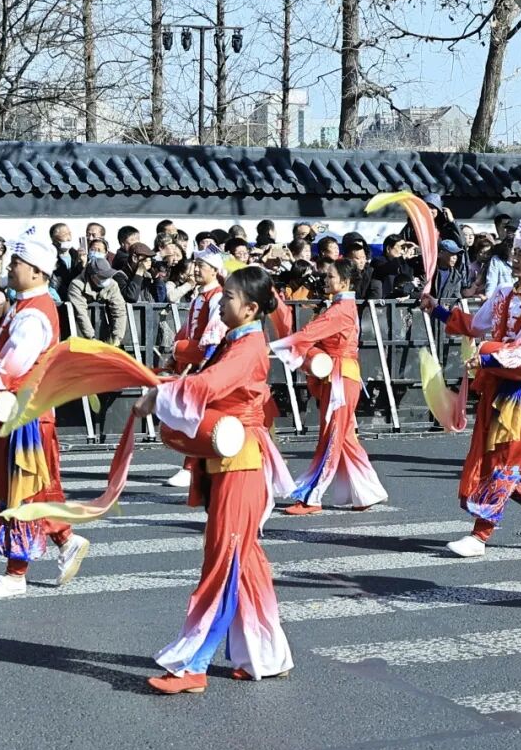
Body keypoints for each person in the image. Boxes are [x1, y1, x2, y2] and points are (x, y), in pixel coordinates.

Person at [134, 266, 294, 694]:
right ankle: (266, 656)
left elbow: (209, 384)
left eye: (228, 297)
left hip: (241, 461)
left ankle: (193, 664)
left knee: (223, 560)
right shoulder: (236, 340)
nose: (221, 303)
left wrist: (160, 393)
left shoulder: (248, 347)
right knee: (244, 559)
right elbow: (203, 381)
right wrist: (164, 382)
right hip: (232, 457)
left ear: (251, 308)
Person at [0, 231, 89, 599]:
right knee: (37, 486)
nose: (10, 266)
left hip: (26, 416)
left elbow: (11, 368)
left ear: (37, 271)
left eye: (17, 263)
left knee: (19, 491)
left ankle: (15, 573)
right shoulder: (26, 305)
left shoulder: (35, 313)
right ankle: (66, 540)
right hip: (25, 412)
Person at [420, 225, 521, 558]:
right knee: (519, 461)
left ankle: (480, 536)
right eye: (515, 254)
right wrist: (437, 309)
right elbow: (476, 325)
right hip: (495, 384)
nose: (516, 259)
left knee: (504, 461)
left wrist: (487, 356)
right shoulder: (504, 293)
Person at [271, 259, 388, 514]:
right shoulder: (340, 306)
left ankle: (312, 497)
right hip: (341, 375)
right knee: (344, 437)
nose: (326, 280)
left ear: (345, 282)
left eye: (330, 277)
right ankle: (367, 492)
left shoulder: (340, 310)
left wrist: (279, 346)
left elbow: (309, 333)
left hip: (340, 378)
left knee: (331, 437)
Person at [163, 247, 228, 489]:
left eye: (202, 266)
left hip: (206, 362)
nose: (197, 269)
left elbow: (215, 332)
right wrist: (175, 355)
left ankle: (191, 467)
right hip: (193, 358)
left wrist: (204, 362)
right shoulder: (200, 296)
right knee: (192, 415)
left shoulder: (217, 297)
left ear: (214, 270)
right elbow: (188, 329)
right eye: (196, 265)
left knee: (198, 416)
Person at [67, 256, 127, 345]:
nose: (107, 279)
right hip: (79, 334)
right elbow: (81, 313)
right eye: (103, 276)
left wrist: (117, 338)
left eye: (108, 276)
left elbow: (119, 310)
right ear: (93, 276)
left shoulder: (112, 285)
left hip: (104, 329)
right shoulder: (77, 285)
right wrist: (91, 337)